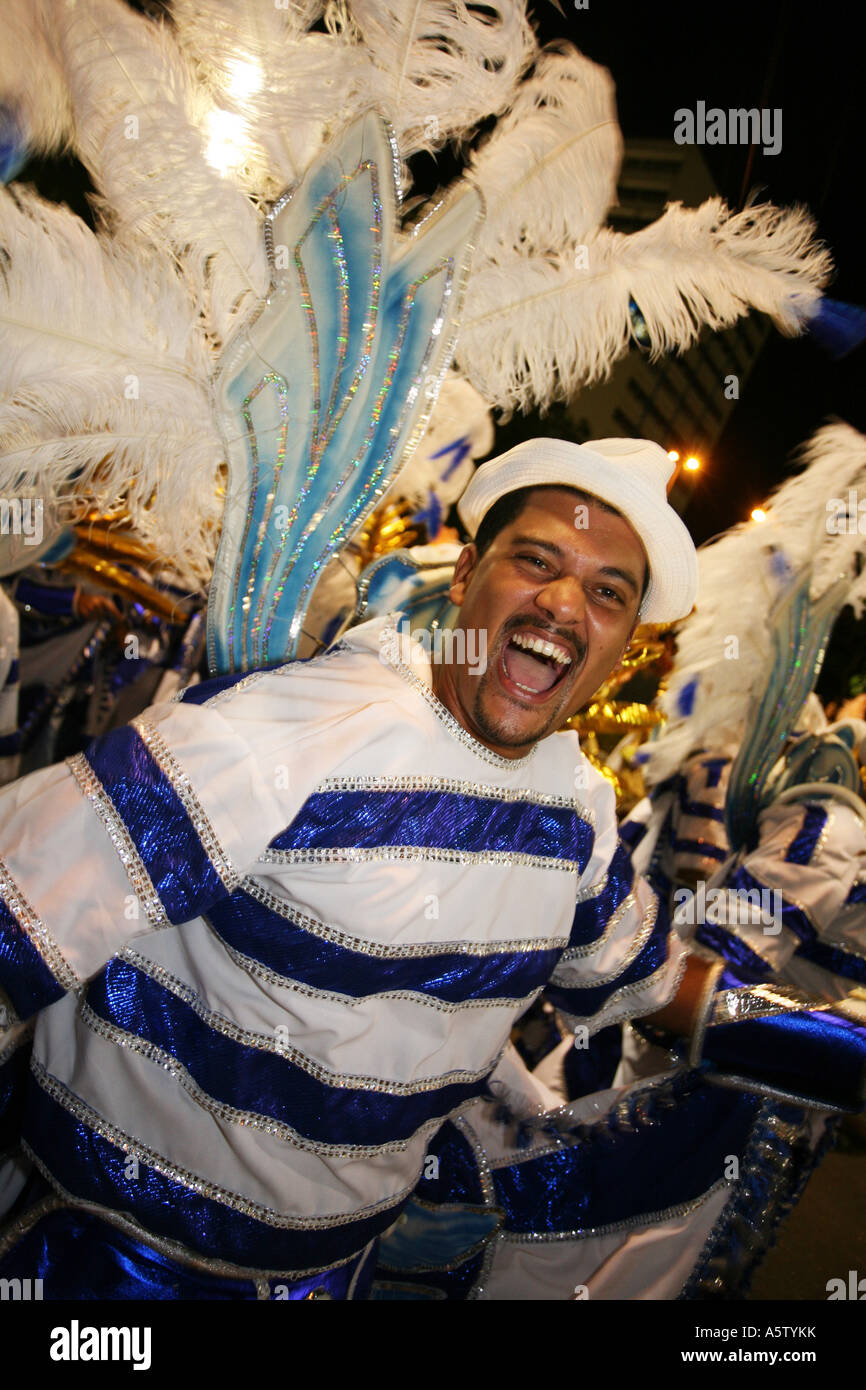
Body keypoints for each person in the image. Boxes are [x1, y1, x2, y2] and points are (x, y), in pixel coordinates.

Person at [0, 437, 839, 1300]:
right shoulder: (298, 726)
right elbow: (23, 893)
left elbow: (655, 988)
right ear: (469, 571)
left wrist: (837, 1041)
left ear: (624, 645)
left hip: (337, 1280)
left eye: (606, 593)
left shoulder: (575, 813)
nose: (561, 603)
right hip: (107, 1271)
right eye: (536, 561)